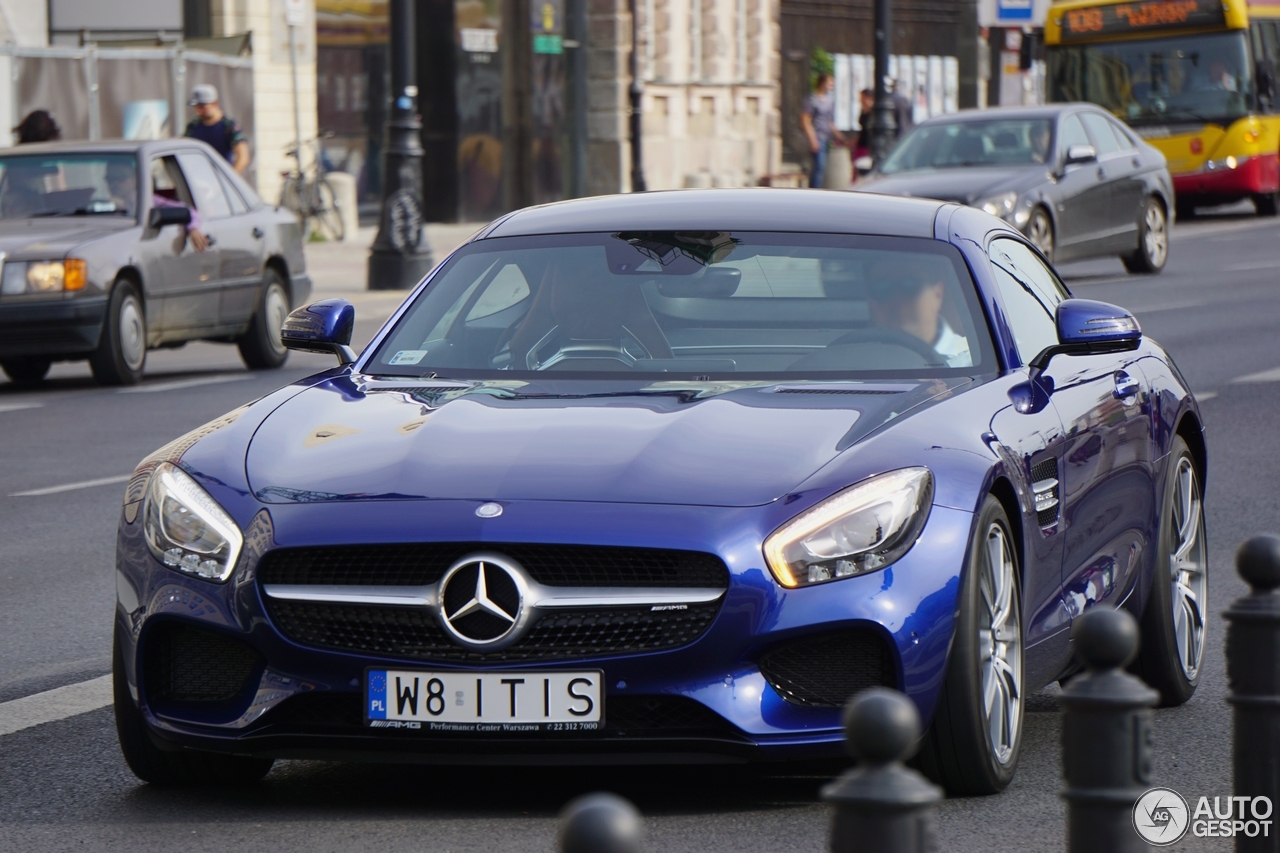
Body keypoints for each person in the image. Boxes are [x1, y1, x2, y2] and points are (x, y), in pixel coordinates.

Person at [866, 256, 971, 367]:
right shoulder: (853, 363)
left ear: (937, 294)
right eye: (882, 289)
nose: (897, 300)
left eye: (910, 285)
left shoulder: (971, 364)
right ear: (870, 301)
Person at [105, 159, 207, 252]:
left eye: (121, 178)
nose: (115, 183)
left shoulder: (150, 201)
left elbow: (188, 211)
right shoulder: (98, 205)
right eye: (110, 179)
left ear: (135, 179)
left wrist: (193, 229)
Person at [183, 85, 250, 174]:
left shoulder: (228, 126)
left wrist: (229, 178)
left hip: (220, 178)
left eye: (203, 106)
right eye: (196, 107)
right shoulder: (193, 126)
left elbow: (243, 157)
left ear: (214, 103)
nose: (199, 111)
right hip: (197, 179)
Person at [801, 73, 845, 188]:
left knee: (822, 167)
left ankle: (817, 189)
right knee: (819, 166)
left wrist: (840, 137)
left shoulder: (829, 101)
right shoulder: (813, 100)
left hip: (826, 138)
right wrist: (812, 139)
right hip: (817, 136)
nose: (832, 86)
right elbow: (806, 120)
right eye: (830, 83)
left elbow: (830, 122)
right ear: (823, 83)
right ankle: (814, 191)